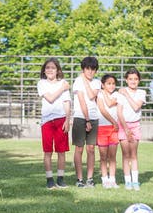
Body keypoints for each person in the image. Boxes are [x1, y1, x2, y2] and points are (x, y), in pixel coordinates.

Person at [37, 58, 71, 189]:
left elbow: (67, 102)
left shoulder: (63, 83)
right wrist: (62, 88)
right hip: (46, 120)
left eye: (53, 68)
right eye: (47, 68)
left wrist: (68, 120)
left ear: (57, 70)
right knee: (47, 151)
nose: (50, 70)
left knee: (61, 151)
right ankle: (49, 179)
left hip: (61, 119)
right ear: (44, 71)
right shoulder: (42, 83)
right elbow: (50, 98)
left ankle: (61, 179)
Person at [72, 57, 100, 188]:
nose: (90, 71)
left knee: (91, 149)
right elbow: (82, 101)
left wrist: (85, 79)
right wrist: (86, 119)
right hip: (80, 117)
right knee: (79, 148)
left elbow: (91, 96)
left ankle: (89, 179)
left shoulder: (97, 83)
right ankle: (79, 179)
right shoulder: (77, 81)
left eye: (92, 69)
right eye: (87, 68)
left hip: (94, 118)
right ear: (83, 69)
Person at [117, 68, 146, 191]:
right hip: (123, 125)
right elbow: (119, 112)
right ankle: (128, 181)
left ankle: (135, 181)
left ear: (139, 80)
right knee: (126, 155)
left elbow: (135, 107)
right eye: (130, 79)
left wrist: (127, 94)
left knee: (133, 154)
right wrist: (125, 129)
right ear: (126, 80)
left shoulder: (141, 93)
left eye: (135, 79)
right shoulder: (120, 93)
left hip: (135, 125)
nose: (133, 81)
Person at [96, 74, 120, 189]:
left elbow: (110, 103)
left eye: (113, 83)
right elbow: (102, 109)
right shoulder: (99, 94)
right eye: (108, 84)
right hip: (102, 128)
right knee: (103, 156)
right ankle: (105, 179)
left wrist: (105, 92)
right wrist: (113, 121)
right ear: (103, 84)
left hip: (114, 129)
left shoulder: (117, 94)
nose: (111, 86)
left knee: (112, 156)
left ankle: (112, 179)